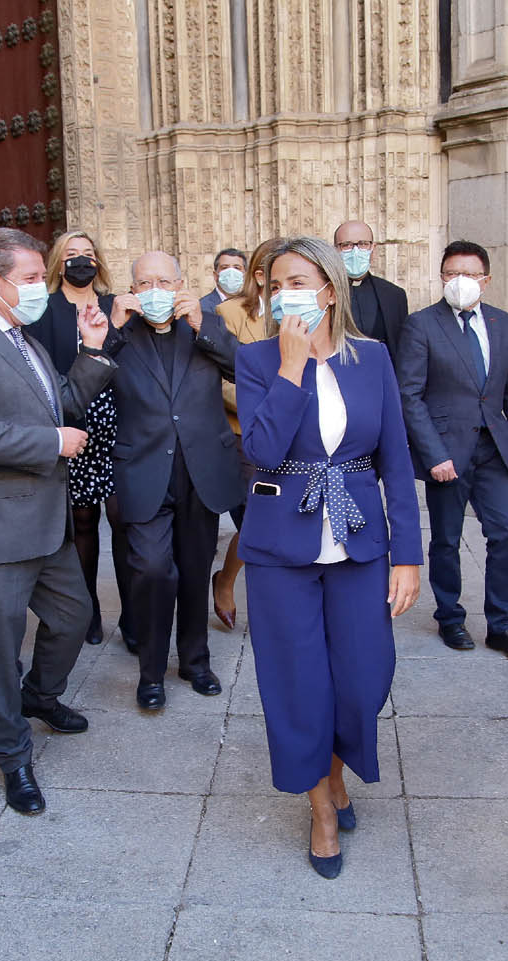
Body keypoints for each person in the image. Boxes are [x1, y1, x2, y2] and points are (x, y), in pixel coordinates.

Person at [235, 235, 420, 879]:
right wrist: (290, 366)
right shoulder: (256, 358)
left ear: (331, 291)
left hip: (360, 538)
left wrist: (408, 556)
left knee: (362, 679)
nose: (289, 293)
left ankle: (337, 768)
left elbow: (396, 458)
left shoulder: (371, 358)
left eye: (302, 281)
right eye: (277, 281)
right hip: (281, 543)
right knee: (298, 683)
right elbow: (261, 448)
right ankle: (319, 805)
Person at [0, 227, 114, 815]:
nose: (42, 288)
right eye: (32, 278)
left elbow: (61, 398)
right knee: (1, 650)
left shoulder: (23, 339)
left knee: (73, 615)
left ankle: (41, 696)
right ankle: (13, 760)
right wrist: (52, 442)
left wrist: (90, 351)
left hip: (43, 522)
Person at [108, 250, 243, 711]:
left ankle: (194, 661)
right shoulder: (118, 335)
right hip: (144, 471)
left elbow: (243, 368)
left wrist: (204, 325)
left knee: (192, 568)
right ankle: (151, 671)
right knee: (151, 568)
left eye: (164, 282)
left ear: (181, 285)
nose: (155, 292)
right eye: (144, 283)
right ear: (131, 290)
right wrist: (111, 329)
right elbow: (86, 382)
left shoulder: (204, 327)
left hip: (199, 469)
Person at [396, 241, 508, 657]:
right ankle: (450, 618)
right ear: (441, 277)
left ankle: (501, 624)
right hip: (447, 453)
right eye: (452, 273)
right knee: (446, 540)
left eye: (470, 274)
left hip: (496, 450)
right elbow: (410, 395)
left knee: (507, 535)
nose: (461, 281)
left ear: (485, 280)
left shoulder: (504, 324)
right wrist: (434, 455)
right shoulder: (421, 325)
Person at [26, 230, 136, 650]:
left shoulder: (115, 306)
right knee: (84, 522)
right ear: (58, 263)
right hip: (74, 423)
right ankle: (87, 608)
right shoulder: (45, 309)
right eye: (71, 255)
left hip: (119, 421)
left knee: (126, 519)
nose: (80, 261)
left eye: (88, 254)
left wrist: (115, 329)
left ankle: (133, 615)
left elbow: (128, 360)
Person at [211, 236, 285, 629]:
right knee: (257, 519)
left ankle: (276, 599)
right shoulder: (230, 312)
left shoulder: (305, 310)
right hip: (244, 433)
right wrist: (275, 404)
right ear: (259, 274)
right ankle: (226, 581)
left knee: (281, 519)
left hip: (297, 437)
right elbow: (221, 379)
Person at [333, 220, 408, 354]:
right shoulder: (325, 292)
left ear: (373, 249)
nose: (355, 251)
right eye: (346, 245)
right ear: (335, 250)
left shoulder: (394, 295)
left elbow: (400, 347)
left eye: (363, 244)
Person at [200, 247, 246, 314]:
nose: (231, 273)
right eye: (224, 267)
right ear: (216, 276)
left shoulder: (253, 306)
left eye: (237, 268)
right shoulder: (203, 307)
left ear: (245, 276)